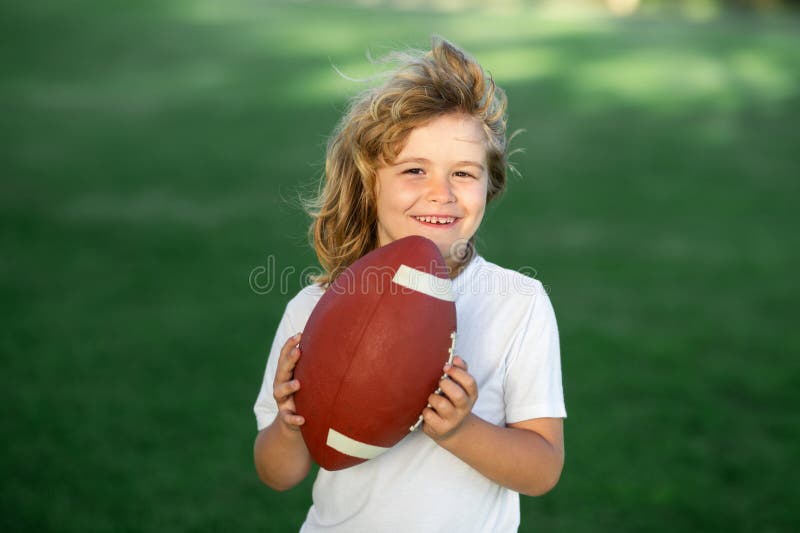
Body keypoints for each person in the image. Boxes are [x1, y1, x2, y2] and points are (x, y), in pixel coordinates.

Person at [253, 36, 566, 532]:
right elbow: (278, 473)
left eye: (463, 173)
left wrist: (461, 430)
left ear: (491, 184)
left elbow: (543, 468)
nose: (439, 193)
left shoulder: (518, 303)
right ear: (369, 181)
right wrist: (291, 424)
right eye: (414, 170)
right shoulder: (316, 306)